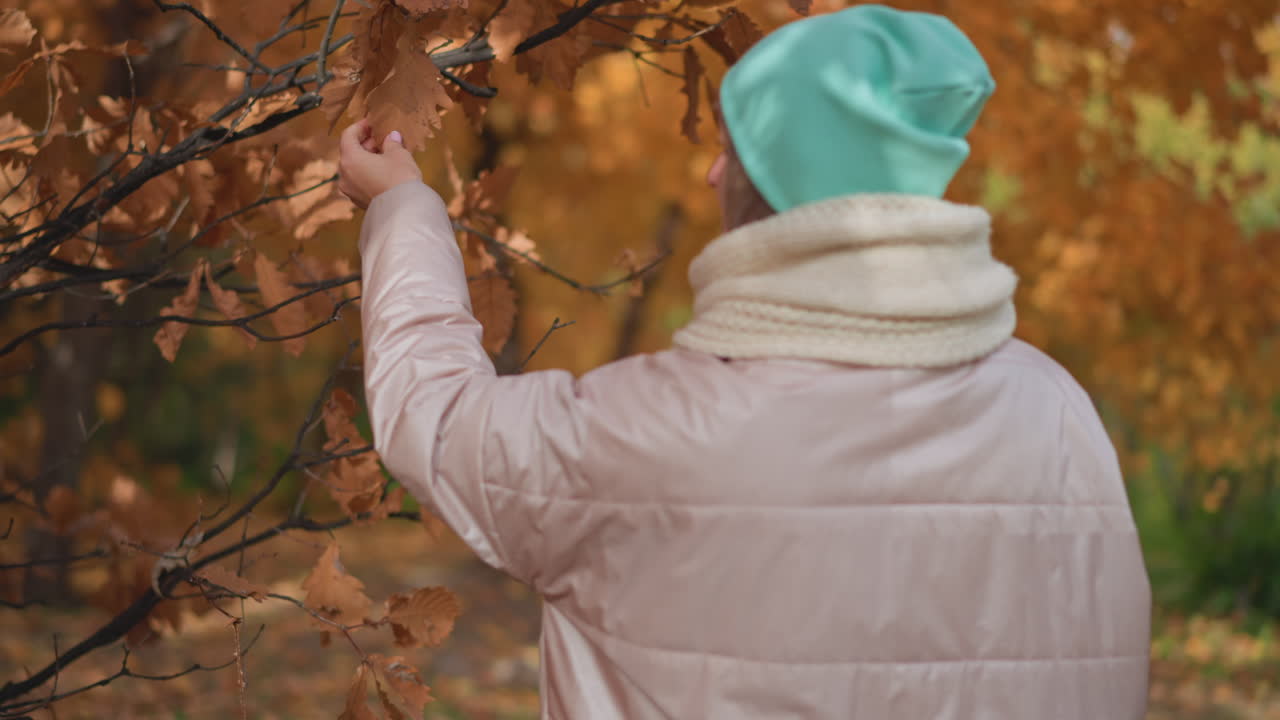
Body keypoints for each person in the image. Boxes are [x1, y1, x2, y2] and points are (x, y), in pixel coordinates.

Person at [337, 5, 1151, 718]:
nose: (713, 167)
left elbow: (432, 416)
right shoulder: (1055, 411)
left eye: (734, 146)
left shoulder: (651, 432)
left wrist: (406, 209)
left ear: (775, 175)